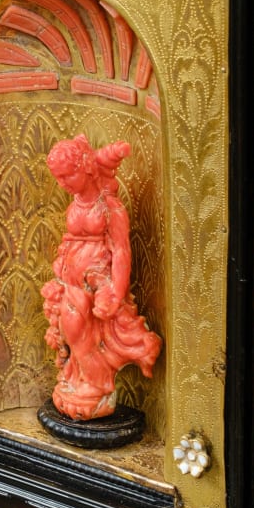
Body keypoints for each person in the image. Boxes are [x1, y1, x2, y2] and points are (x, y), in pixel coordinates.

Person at [41, 134, 161, 420]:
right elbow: (70, 240)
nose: (62, 184)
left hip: (95, 288)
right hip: (71, 284)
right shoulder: (75, 205)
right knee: (73, 337)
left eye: (67, 176)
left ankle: (96, 388)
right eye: (58, 178)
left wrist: (116, 292)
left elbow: (121, 252)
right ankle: (78, 381)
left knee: (84, 339)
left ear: (87, 169)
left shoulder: (111, 209)